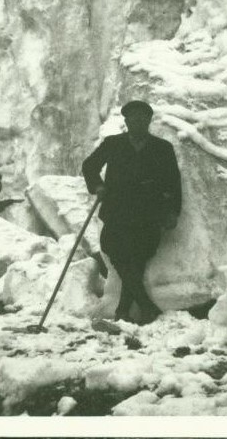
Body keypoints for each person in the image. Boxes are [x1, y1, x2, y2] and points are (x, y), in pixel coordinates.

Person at [82, 100, 181, 324]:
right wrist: (97, 186)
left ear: (149, 121)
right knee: (115, 250)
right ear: (126, 122)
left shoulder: (162, 148)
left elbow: (173, 182)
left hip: (148, 214)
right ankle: (145, 306)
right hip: (117, 211)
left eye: (142, 118)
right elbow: (89, 166)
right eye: (133, 118)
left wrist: (172, 211)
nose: (138, 122)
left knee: (138, 259)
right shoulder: (113, 144)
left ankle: (123, 311)